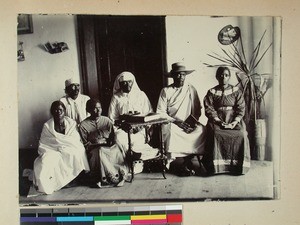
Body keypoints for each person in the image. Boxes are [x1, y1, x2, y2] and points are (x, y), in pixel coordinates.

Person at [156, 62, 206, 176]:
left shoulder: (191, 89)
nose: (181, 77)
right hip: (172, 122)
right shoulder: (166, 91)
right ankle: (179, 164)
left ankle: (188, 160)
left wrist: (192, 123)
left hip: (189, 123)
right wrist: (176, 122)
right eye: (178, 74)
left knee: (201, 130)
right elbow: (160, 112)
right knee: (171, 131)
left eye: (183, 74)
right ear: (173, 76)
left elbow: (197, 109)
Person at [33, 101, 90, 194]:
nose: (58, 112)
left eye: (60, 110)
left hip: (70, 147)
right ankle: (56, 182)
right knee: (45, 160)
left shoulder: (71, 123)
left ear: (64, 111)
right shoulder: (47, 126)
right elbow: (44, 142)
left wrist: (63, 147)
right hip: (52, 149)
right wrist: (58, 147)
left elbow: (74, 140)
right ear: (52, 112)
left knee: (74, 153)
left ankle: (71, 180)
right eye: (55, 110)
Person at [202, 66, 251, 175]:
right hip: (217, 120)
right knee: (215, 133)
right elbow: (209, 108)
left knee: (242, 134)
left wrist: (234, 122)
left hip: (233, 119)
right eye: (221, 75)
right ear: (216, 77)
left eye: (226, 75)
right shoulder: (212, 92)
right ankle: (217, 167)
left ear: (229, 77)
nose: (223, 77)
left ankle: (237, 167)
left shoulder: (236, 91)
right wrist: (219, 121)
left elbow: (241, 108)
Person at [108, 71, 158, 161]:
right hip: (123, 129)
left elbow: (149, 113)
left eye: (129, 82)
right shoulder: (116, 97)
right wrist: (123, 127)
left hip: (140, 129)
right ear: (119, 84)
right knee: (120, 139)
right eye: (124, 82)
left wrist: (141, 127)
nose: (127, 84)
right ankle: (127, 163)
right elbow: (112, 118)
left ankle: (137, 160)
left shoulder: (141, 95)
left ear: (133, 82)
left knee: (137, 143)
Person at [79, 99, 128, 188]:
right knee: (100, 151)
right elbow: (85, 145)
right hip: (94, 150)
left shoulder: (107, 121)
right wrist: (96, 143)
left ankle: (117, 174)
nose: (98, 110)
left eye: (99, 108)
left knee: (117, 147)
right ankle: (108, 177)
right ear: (88, 110)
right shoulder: (83, 125)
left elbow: (112, 138)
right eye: (95, 108)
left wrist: (108, 142)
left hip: (108, 147)